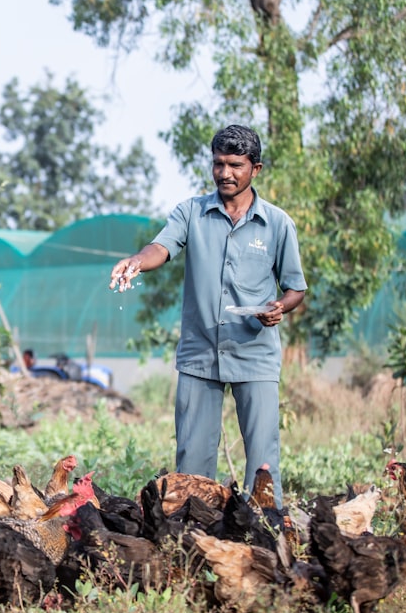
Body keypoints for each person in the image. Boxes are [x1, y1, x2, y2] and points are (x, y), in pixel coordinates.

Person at [109, 125, 306, 508]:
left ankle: (264, 536)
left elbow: (295, 287)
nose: (225, 173)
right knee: (192, 462)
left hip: (255, 353)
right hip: (200, 354)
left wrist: (280, 307)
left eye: (236, 165)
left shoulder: (278, 224)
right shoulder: (191, 212)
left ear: (256, 169)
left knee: (263, 461)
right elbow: (161, 247)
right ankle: (190, 540)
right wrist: (136, 261)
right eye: (218, 164)